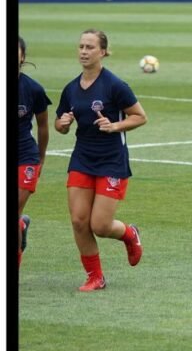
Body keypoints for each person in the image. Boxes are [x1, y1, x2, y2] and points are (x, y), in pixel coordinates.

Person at [54, 29, 147, 291]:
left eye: (90, 47)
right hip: (82, 158)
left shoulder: (115, 85)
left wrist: (115, 126)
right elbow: (60, 123)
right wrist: (62, 124)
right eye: (81, 46)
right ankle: (95, 277)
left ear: (103, 52)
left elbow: (140, 116)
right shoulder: (71, 88)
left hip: (112, 160)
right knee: (79, 221)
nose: (84, 51)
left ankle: (130, 234)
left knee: (101, 225)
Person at [18, 36, 51, 268]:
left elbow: (42, 127)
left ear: (23, 57)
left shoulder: (33, 89)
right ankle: (21, 225)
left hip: (25, 158)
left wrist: (40, 160)